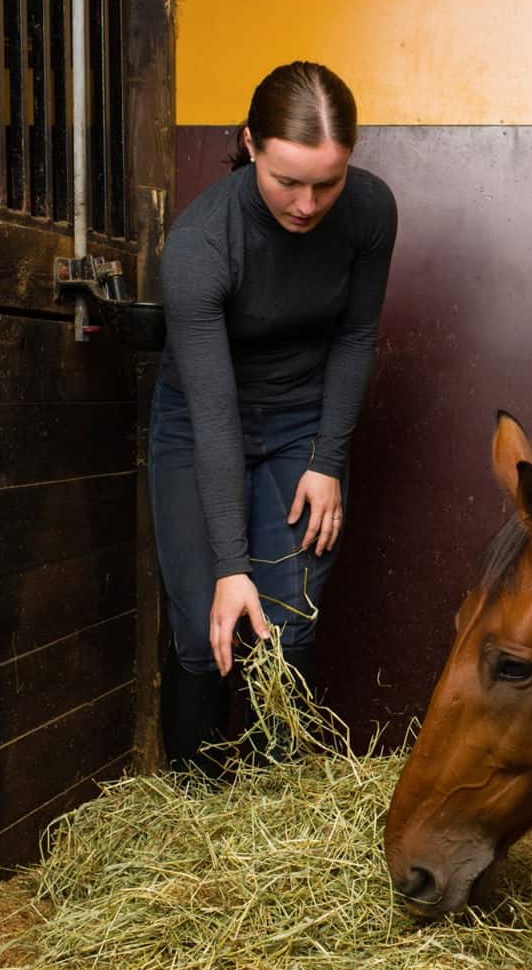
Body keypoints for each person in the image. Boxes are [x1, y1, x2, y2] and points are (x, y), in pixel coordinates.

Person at [152, 61, 397, 774]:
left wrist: (326, 459)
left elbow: (355, 337)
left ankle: (276, 804)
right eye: (287, 179)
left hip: (303, 421)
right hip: (201, 424)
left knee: (288, 624)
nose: (307, 203)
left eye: (327, 181)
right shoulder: (201, 244)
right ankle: (193, 804)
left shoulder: (371, 211)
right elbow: (215, 411)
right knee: (209, 624)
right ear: (250, 144)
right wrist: (231, 565)